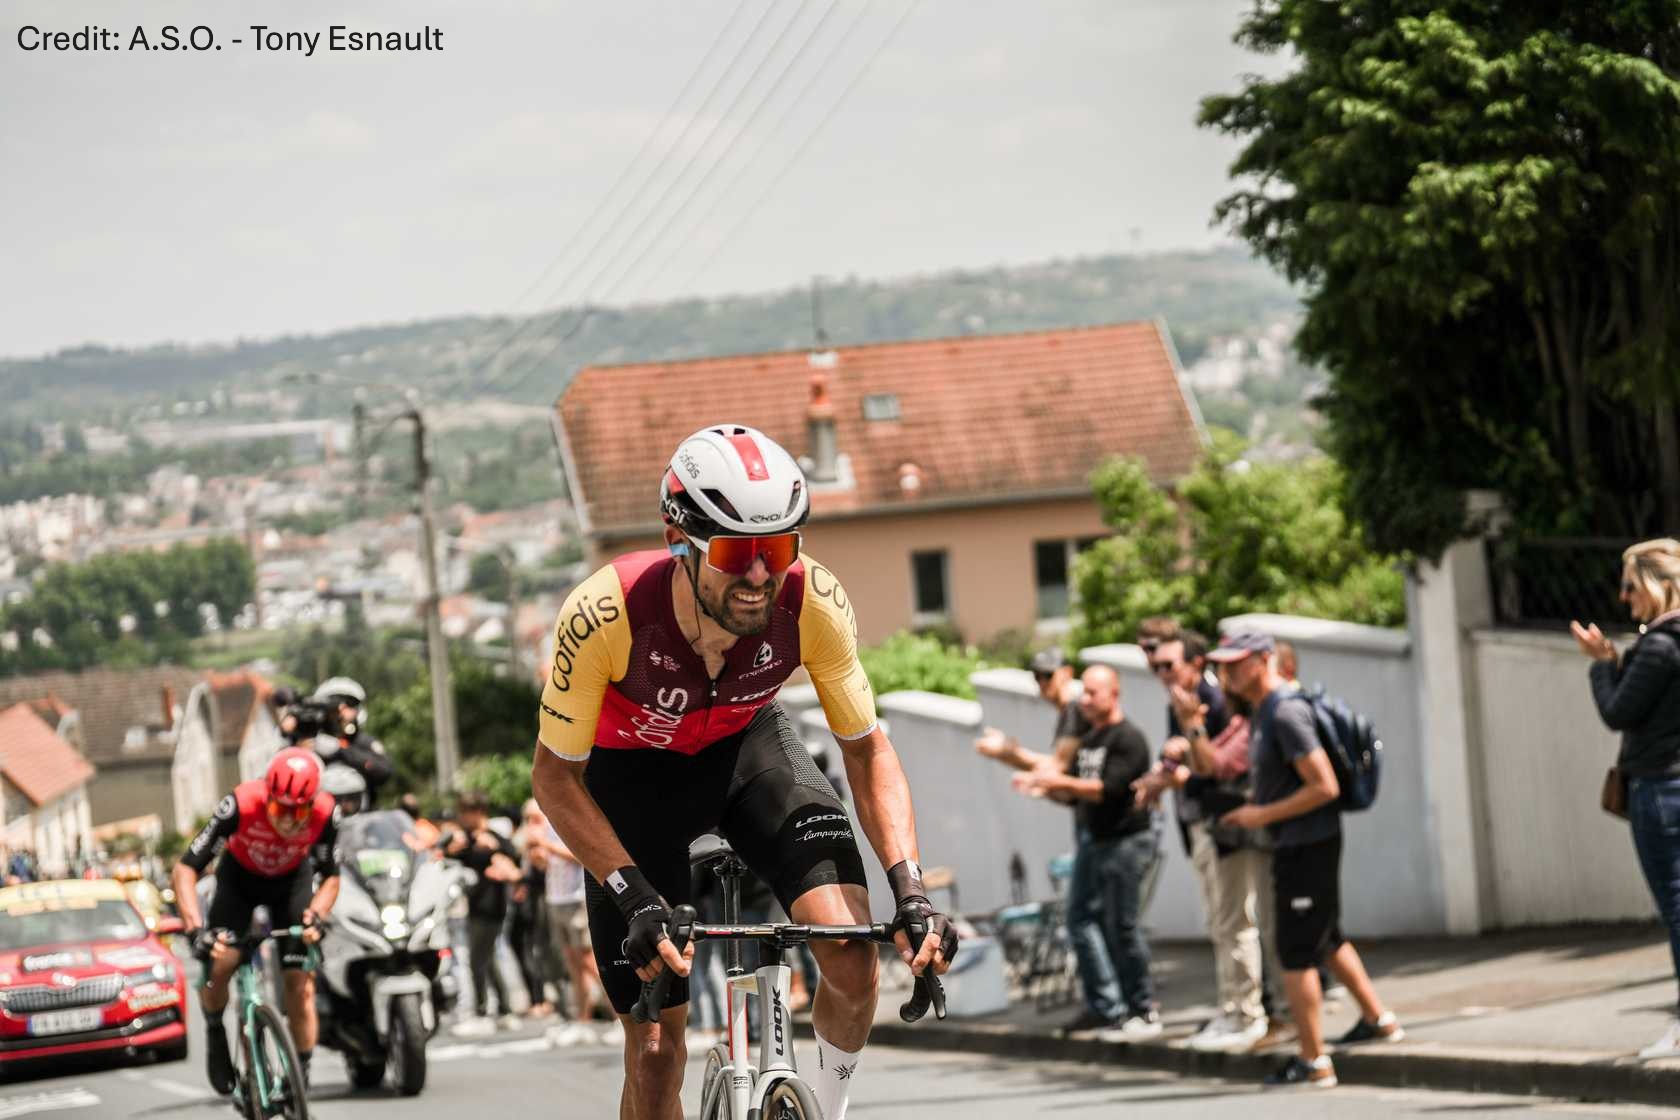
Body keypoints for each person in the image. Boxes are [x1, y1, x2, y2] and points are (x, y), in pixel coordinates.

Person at [530, 424, 955, 1120]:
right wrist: (634, 898)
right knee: (657, 1056)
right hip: (630, 787)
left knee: (851, 959)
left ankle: (823, 1106)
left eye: (780, 548)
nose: (761, 575)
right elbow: (553, 779)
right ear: (680, 537)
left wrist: (910, 889)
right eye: (735, 552)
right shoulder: (606, 613)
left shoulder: (812, 599)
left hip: (747, 754)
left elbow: (867, 749)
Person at [1213, 630, 1401, 1089]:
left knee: (1295, 953)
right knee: (1327, 938)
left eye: (1236, 663)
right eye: (1223, 664)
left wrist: (1260, 813)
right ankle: (1380, 1020)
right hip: (1298, 842)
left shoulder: (1285, 711)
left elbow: (1324, 786)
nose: (1227, 673)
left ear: (1262, 660)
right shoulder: (1264, 712)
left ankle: (1315, 1060)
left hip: (1306, 843)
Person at [172, 748, 341, 1096]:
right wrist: (193, 929)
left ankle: (300, 1074)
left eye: (300, 811)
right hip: (239, 882)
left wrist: (318, 915)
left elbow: (331, 877)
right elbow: (186, 868)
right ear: (267, 797)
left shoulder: (326, 814)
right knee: (221, 964)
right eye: (281, 809)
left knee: (300, 982)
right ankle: (216, 1027)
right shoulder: (240, 804)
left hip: (291, 883)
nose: (291, 821)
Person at [1013, 664, 1162, 1039]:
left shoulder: (1129, 738)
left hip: (1125, 843)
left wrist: (1056, 780)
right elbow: (1078, 795)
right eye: (1085, 692)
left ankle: (1143, 1009)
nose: (1086, 699)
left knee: (1121, 926)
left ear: (1114, 694)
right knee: (1080, 920)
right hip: (1096, 842)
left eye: (1094, 693)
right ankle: (1108, 1007)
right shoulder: (1092, 739)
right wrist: (1045, 787)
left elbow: (1109, 790)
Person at [1574, 538, 1680, 1060]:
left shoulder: (1660, 646)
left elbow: (1619, 712)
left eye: (1630, 586)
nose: (1624, 598)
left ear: (1658, 587)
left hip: (1661, 790)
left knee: (1678, 907)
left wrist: (1602, 663)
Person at [445, 792, 524, 1036]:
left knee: (477, 961)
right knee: (487, 961)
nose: (462, 817)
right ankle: (504, 1009)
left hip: (491, 907)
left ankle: (481, 1013)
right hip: (475, 906)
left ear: (477, 812)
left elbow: (513, 853)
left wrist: (496, 849)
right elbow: (454, 854)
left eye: (465, 812)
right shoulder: (467, 838)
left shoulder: (492, 836)